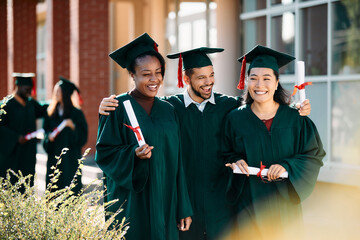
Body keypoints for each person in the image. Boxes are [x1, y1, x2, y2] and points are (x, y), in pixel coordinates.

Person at [99, 47, 312, 240]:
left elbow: (261, 105)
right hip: (186, 199)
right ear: (186, 78)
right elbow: (140, 110)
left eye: (211, 75)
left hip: (222, 201)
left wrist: (295, 108)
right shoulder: (171, 108)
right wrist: (104, 107)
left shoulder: (229, 106)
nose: (208, 82)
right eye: (201, 77)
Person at [95, 33, 193, 240]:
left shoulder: (168, 109)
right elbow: (104, 153)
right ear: (132, 74)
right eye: (145, 74)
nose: (154, 79)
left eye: (158, 72)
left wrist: (183, 206)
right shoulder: (116, 107)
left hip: (166, 197)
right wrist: (133, 154)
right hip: (131, 199)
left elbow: (179, 161)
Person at [223, 45, 326, 239]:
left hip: (285, 208)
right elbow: (224, 153)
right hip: (249, 207)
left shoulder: (295, 119)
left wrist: (287, 166)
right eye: (253, 78)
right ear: (246, 82)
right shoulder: (234, 119)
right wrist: (236, 161)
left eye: (266, 79)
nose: (259, 85)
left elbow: (314, 154)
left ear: (277, 82)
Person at [0, 73, 48, 187]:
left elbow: (43, 111)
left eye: (30, 89)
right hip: (12, 153)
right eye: (27, 89)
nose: (29, 92)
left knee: (27, 182)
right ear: (18, 87)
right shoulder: (6, 104)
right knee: (11, 183)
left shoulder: (30, 103)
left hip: (28, 152)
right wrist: (16, 137)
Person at [43, 77, 88, 195]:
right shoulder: (51, 112)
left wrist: (73, 126)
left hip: (70, 160)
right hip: (54, 159)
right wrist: (48, 137)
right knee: (54, 189)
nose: (55, 94)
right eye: (55, 91)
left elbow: (83, 137)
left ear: (65, 93)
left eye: (58, 91)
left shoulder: (76, 113)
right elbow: (45, 132)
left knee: (71, 189)